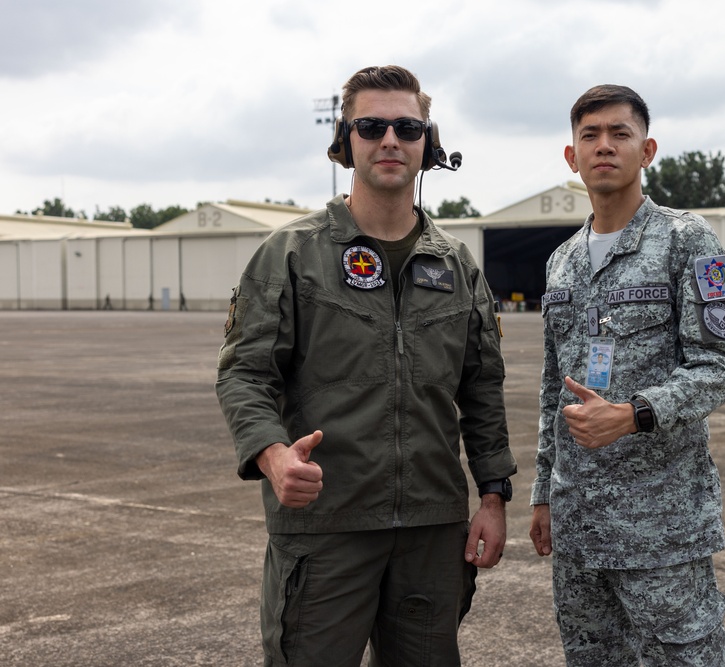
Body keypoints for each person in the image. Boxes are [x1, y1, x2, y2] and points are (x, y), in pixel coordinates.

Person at [216, 65, 516, 667]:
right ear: (345, 139)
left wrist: (493, 495)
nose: (389, 140)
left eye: (407, 127)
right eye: (371, 125)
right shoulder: (292, 255)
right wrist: (274, 457)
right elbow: (245, 373)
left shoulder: (456, 266)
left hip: (432, 530)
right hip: (325, 524)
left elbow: (481, 388)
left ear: (428, 143)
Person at [529, 84, 725, 666]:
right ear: (571, 156)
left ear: (647, 150)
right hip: (577, 521)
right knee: (593, 658)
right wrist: (542, 494)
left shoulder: (688, 241)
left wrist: (632, 414)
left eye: (619, 134)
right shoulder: (562, 261)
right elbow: (555, 386)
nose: (605, 146)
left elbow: (720, 366)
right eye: (590, 135)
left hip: (661, 523)